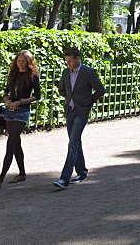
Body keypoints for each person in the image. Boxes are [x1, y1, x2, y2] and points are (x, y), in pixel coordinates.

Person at [54, 47, 106, 189]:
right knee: (75, 142)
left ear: (77, 58)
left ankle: (64, 178)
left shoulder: (88, 72)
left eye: (70, 61)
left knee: (73, 143)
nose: (68, 64)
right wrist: (68, 99)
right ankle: (82, 172)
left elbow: (100, 89)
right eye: (66, 61)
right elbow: (62, 89)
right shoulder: (66, 73)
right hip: (69, 111)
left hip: (81, 111)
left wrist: (87, 101)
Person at [0, 50, 41, 188]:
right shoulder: (12, 74)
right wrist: (7, 100)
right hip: (9, 111)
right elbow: (6, 92)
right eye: (19, 60)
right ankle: (22, 173)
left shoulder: (33, 76)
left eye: (24, 61)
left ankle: (0, 179)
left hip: (22, 111)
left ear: (29, 62)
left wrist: (21, 102)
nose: (21, 63)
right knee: (16, 142)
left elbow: (37, 96)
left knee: (10, 143)